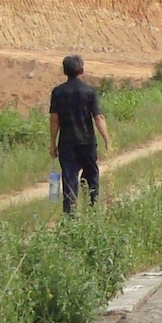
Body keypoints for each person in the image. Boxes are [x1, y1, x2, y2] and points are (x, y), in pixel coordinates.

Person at [49, 54, 113, 214]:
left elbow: (54, 120)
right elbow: (98, 117)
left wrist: (52, 143)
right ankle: (92, 206)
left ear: (65, 71)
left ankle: (70, 215)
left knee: (69, 178)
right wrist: (107, 140)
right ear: (82, 70)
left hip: (66, 143)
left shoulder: (57, 92)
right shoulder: (89, 91)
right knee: (91, 173)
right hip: (87, 142)